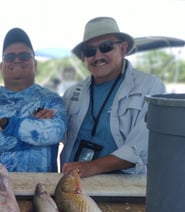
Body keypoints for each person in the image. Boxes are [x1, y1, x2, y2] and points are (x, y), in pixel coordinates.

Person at [60, 17, 166, 177]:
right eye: (90, 51)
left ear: (123, 49)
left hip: (123, 186)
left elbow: (140, 147)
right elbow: (57, 133)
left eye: (106, 47)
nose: (97, 56)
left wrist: (91, 167)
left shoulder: (150, 87)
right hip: (74, 182)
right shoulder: (72, 93)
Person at [0, 28, 67, 172]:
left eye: (24, 56)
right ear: (2, 66)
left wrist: (5, 123)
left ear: (35, 64)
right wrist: (32, 130)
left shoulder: (51, 99)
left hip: (41, 189)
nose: (16, 60)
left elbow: (54, 133)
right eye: (9, 57)